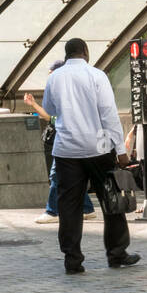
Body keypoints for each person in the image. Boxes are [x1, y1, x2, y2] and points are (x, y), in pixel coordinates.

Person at [41, 37, 139, 272]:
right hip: (99, 148)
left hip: (66, 150)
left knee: (69, 207)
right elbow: (108, 114)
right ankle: (116, 254)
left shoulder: (54, 77)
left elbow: (50, 109)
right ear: (85, 52)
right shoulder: (97, 75)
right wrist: (121, 151)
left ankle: (72, 260)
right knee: (110, 200)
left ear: (66, 55)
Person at [24, 63, 96, 226]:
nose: (49, 77)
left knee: (56, 175)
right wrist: (34, 104)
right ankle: (87, 209)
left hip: (71, 139)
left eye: (52, 73)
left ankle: (52, 211)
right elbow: (51, 118)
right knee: (71, 177)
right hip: (67, 139)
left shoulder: (70, 91)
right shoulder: (59, 92)